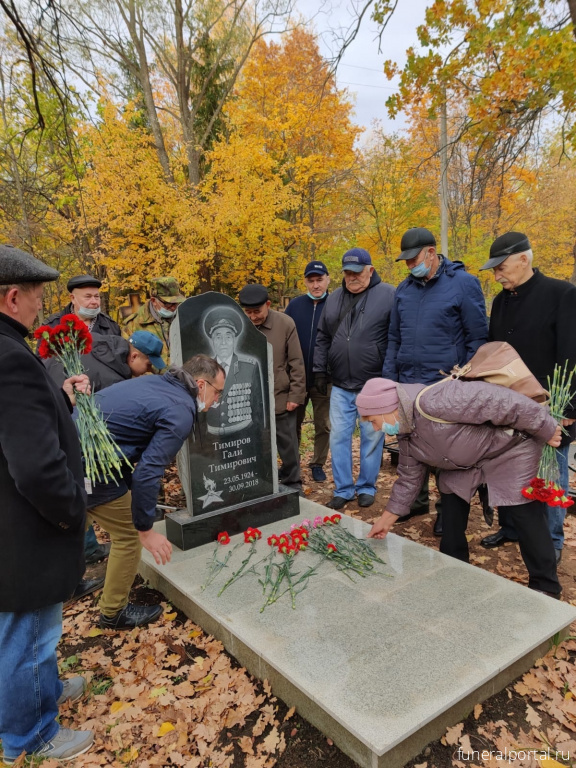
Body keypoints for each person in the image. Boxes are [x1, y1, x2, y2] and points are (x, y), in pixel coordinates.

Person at [0, 245, 94, 763]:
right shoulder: (11, 357)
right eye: (37, 298)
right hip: (26, 529)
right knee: (30, 632)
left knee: (24, 632)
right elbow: (36, 467)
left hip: (10, 522)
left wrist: (60, 397)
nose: (42, 309)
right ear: (13, 297)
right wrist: (70, 510)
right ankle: (30, 735)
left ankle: (43, 691)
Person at [361, 377, 562, 597]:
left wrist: (546, 427)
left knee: (523, 512)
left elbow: (502, 402)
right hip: (464, 462)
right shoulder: (406, 435)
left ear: (386, 408)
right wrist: (385, 522)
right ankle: (454, 567)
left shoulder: (435, 401)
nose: (375, 427)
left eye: (373, 420)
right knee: (451, 507)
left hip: (508, 450)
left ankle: (546, 586)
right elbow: (408, 479)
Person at [85, 354, 225, 629]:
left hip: (70, 451)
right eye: (218, 392)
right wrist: (145, 529)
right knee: (127, 535)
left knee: (72, 522)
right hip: (91, 464)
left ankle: (64, 585)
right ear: (201, 385)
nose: (217, 400)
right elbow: (147, 473)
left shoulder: (158, 384)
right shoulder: (180, 410)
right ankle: (113, 613)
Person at [382, 227, 488, 535]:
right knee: (411, 445)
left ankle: (447, 510)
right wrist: (390, 381)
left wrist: (465, 379)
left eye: (413, 259)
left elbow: (477, 337)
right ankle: (415, 501)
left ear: (431, 253)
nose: (409, 266)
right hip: (408, 383)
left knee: (445, 453)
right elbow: (393, 338)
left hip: (444, 385)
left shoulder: (463, 284)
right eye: (405, 261)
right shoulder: (404, 289)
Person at [478, 232, 576, 564]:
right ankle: (512, 527)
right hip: (507, 406)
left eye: (501, 267)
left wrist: (569, 409)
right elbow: (494, 352)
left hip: (550, 406)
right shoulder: (499, 301)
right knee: (506, 467)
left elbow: (571, 354)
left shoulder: (562, 294)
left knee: (549, 473)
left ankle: (552, 539)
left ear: (524, 259)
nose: (497, 276)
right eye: (493, 271)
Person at [313, 248, 395, 509]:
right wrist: (318, 370)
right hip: (340, 384)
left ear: (370, 270)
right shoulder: (335, 297)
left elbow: (396, 339)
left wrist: (391, 377)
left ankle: (367, 486)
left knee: (372, 437)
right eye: (347, 273)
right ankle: (344, 488)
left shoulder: (389, 295)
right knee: (338, 436)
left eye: (357, 272)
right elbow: (323, 336)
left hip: (374, 384)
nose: (352, 278)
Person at [239, 284, 306, 491]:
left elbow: (297, 362)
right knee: (255, 443)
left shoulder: (285, 323)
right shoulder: (239, 325)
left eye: (257, 311)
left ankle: (293, 483)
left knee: (288, 445)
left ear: (268, 305)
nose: (252, 317)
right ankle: (261, 481)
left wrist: (295, 394)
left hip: (280, 395)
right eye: (247, 312)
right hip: (249, 396)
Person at [284, 261, 331, 482]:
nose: (315, 285)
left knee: (323, 424)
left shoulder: (335, 304)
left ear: (327, 280)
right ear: (305, 282)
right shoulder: (294, 306)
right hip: (297, 378)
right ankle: (292, 464)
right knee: (293, 423)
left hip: (325, 378)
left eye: (319, 280)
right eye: (311, 281)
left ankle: (317, 463)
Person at [203, 305, 264, 437]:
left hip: (243, 431)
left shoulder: (250, 366)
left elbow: (257, 406)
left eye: (228, 337)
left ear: (234, 340)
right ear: (212, 341)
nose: (223, 342)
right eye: (218, 337)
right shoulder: (203, 370)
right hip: (212, 435)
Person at [44, 330, 166, 393]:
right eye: (148, 365)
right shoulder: (113, 381)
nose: (149, 370)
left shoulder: (96, 341)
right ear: (134, 357)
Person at [122, 277, 185, 363]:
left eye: (176, 302)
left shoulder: (184, 318)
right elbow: (129, 361)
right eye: (168, 304)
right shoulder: (133, 325)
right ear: (153, 301)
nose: (174, 307)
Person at [45, 274, 120, 336]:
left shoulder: (111, 326)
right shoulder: (52, 326)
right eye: (88, 297)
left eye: (96, 296)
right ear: (73, 298)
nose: (94, 301)